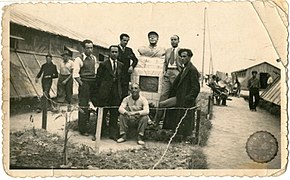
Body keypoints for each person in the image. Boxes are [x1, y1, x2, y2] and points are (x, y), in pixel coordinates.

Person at [160, 49, 200, 140]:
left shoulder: (192, 70)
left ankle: (156, 124)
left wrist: (187, 99)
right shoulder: (185, 68)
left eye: (185, 56)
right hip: (179, 97)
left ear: (190, 57)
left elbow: (196, 88)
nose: (182, 58)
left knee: (162, 104)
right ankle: (174, 133)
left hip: (183, 99)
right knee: (167, 108)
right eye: (181, 56)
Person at [93, 45, 124, 141]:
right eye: (112, 52)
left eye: (116, 52)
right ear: (109, 53)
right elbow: (98, 80)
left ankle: (113, 134)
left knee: (114, 114)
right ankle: (98, 133)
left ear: (118, 53)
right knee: (102, 113)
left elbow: (122, 81)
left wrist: (121, 93)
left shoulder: (121, 65)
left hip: (115, 94)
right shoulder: (103, 65)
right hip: (105, 93)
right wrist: (98, 95)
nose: (114, 54)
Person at [73, 39, 100, 136]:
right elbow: (75, 75)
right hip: (84, 83)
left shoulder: (94, 58)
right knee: (83, 105)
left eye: (91, 48)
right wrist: (82, 84)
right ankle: (82, 129)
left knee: (96, 104)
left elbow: (95, 72)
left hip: (93, 84)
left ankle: (96, 126)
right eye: (87, 48)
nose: (90, 50)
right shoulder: (79, 59)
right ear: (83, 48)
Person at [155, 35, 183, 125]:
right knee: (163, 96)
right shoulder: (167, 50)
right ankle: (156, 121)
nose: (173, 41)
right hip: (168, 72)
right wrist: (164, 72)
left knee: (175, 97)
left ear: (178, 41)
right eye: (172, 40)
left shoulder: (181, 51)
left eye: (175, 40)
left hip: (177, 73)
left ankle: (173, 123)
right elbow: (165, 63)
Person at [118, 33, 138, 98]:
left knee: (125, 92)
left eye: (127, 41)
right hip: (117, 74)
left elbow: (135, 60)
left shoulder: (129, 50)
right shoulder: (115, 49)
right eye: (124, 40)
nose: (126, 42)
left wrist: (132, 66)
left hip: (126, 75)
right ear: (120, 40)